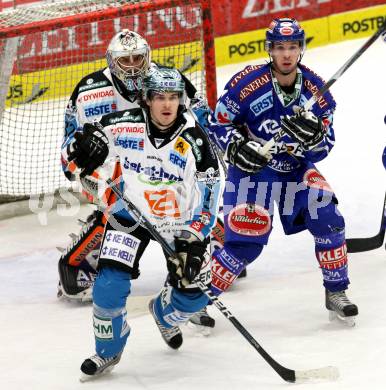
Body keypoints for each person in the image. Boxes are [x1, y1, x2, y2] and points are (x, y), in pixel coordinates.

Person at [64, 66, 221, 379]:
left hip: (177, 223)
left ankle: (164, 314)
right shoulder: (119, 125)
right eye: (160, 97)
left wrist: (194, 239)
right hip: (129, 216)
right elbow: (72, 166)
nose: (167, 105)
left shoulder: (195, 141)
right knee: (107, 288)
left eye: (174, 97)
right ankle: (107, 351)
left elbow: (209, 196)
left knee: (195, 295)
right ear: (146, 99)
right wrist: (79, 158)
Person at [207, 18, 358, 326]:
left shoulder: (318, 93)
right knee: (245, 243)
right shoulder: (246, 85)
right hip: (254, 171)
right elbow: (217, 122)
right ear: (270, 50)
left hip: (294, 169)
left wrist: (314, 137)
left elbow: (326, 145)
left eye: (292, 47)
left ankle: (336, 292)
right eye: (279, 48)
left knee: (328, 219)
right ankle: (194, 299)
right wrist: (236, 147)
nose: (286, 55)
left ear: (300, 49)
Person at [58, 29, 213, 313]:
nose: (132, 66)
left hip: (162, 171)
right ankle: (91, 248)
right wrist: (79, 156)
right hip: (114, 179)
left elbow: (206, 123)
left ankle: (188, 273)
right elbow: (68, 151)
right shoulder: (88, 90)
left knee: (195, 209)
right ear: (111, 61)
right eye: (124, 60)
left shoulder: (165, 80)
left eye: (138, 58)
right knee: (123, 205)